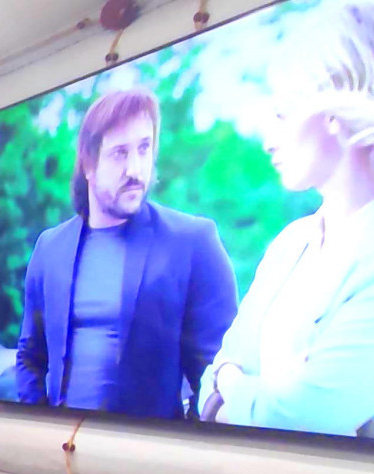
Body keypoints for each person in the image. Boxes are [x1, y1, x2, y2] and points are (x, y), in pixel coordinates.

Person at [200, 0, 374, 445]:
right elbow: (210, 381)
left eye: (283, 113)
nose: (268, 140)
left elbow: (300, 418)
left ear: (335, 112)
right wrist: (234, 386)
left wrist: (232, 386)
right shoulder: (292, 244)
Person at [15, 88, 239, 418]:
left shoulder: (193, 242)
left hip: (147, 448)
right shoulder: (50, 248)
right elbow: (30, 357)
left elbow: (216, 371)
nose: (135, 169)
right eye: (119, 153)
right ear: (88, 164)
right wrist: (36, 429)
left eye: (144, 148)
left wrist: (184, 443)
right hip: (59, 445)